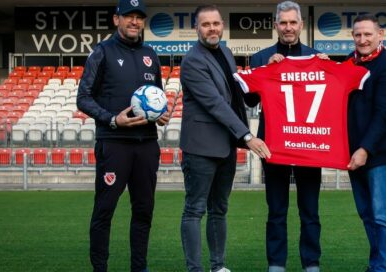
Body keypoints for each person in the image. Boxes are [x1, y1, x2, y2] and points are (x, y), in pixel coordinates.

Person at [77, 0, 168, 271]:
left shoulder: (151, 53)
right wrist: (112, 119)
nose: (135, 22)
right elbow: (83, 98)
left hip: (147, 145)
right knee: (104, 211)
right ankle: (100, 268)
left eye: (139, 17)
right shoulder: (102, 52)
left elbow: (158, 97)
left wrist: (160, 114)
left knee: (143, 212)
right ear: (116, 20)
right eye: (129, 16)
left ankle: (139, 267)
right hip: (114, 145)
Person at [178, 5, 269, 272]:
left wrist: (266, 72)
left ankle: (218, 266)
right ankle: (195, 269)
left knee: (219, 209)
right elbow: (215, 104)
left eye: (216, 23)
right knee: (195, 210)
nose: (212, 29)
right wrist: (247, 134)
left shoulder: (226, 53)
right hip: (201, 148)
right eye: (206, 25)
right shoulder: (192, 60)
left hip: (226, 146)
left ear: (222, 26)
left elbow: (238, 92)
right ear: (196, 28)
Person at [243, 2, 323, 272]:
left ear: (301, 25)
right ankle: (276, 263)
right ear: (275, 25)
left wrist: (324, 68)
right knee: (276, 210)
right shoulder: (261, 57)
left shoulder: (316, 56)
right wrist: (266, 70)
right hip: (274, 144)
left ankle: (311, 262)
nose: (288, 27)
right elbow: (250, 99)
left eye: (293, 22)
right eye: (283, 22)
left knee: (309, 210)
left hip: (309, 145)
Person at [346, 14, 386, 272]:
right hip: (353, 155)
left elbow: (384, 113)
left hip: (377, 154)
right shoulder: (349, 63)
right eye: (358, 34)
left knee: (383, 216)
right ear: (352, 37)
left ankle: (383, 268)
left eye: (368, 34)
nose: (363, 39)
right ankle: (376, 265)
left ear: (380, 35)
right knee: (367, 215)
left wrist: (365, 149)